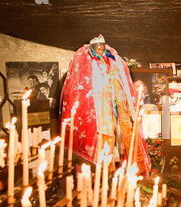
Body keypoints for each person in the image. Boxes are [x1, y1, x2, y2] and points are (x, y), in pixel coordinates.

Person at [59, 34, 151, 176]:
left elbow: (122, 83)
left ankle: (128, 169)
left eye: (102, 48)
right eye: (98, 49)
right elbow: (84, 91)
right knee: (104, 141)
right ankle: (105, 173)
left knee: (124, 137)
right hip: (99, 111)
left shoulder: (114, 61)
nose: (101, 51)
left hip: (117, 107)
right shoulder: (88, 65)